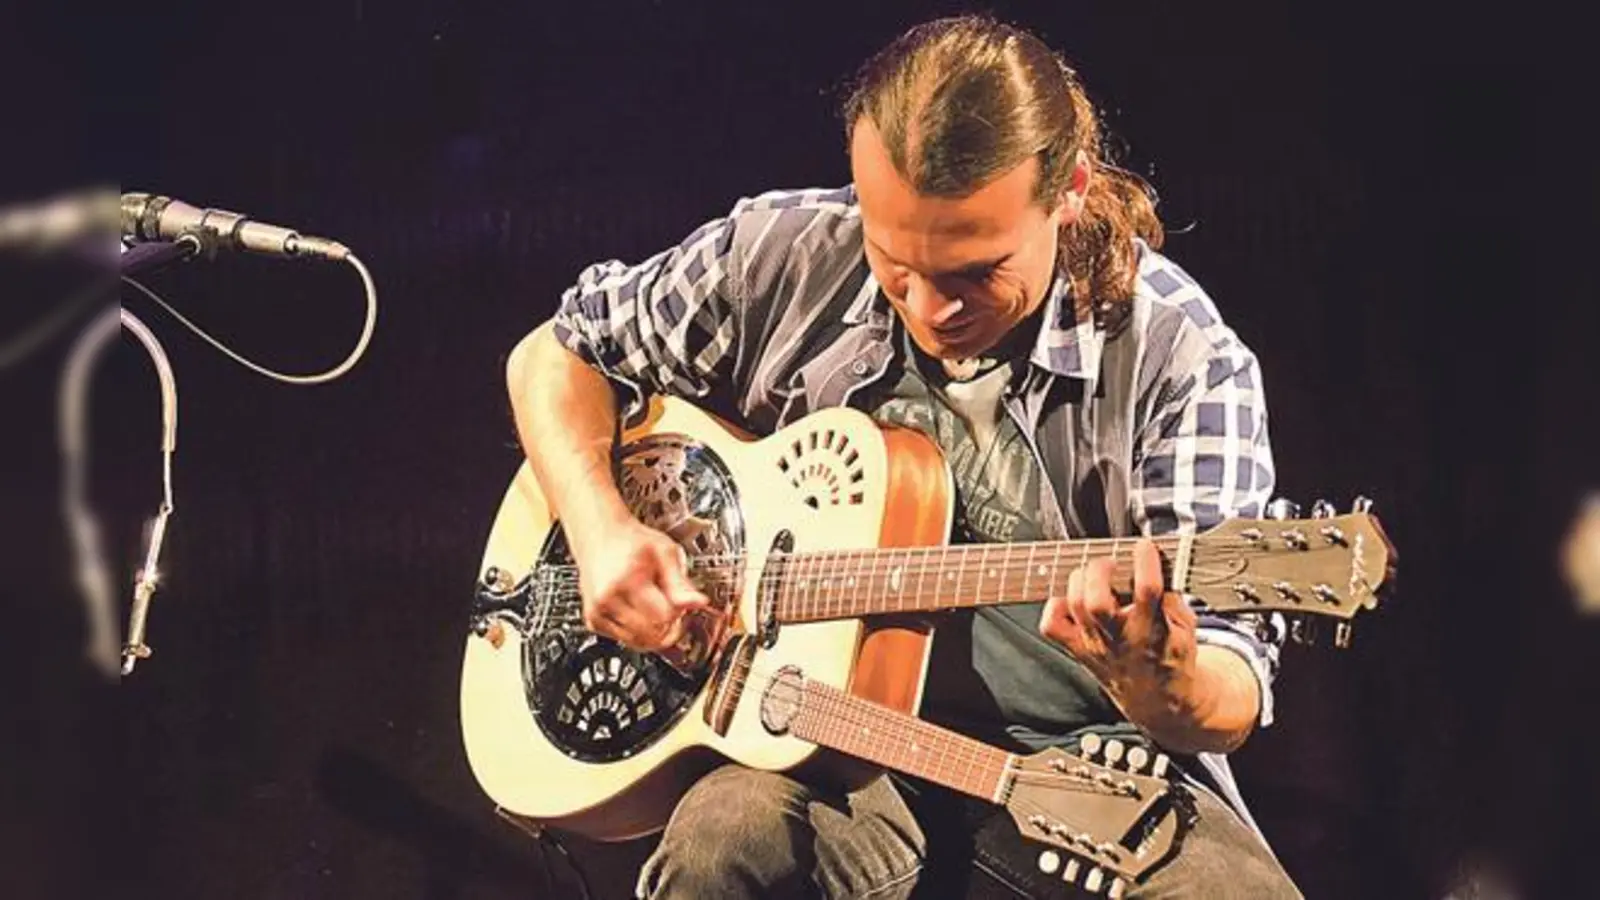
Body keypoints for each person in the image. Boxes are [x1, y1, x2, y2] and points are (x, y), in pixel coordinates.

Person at [506, 13, 1301, 899]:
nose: (928, 307)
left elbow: (1231, 682)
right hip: (832, 744)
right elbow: (556, 353)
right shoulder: (788, 254)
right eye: (895, 263)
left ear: (1068, 188)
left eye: (974, 272)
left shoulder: (1180, 355)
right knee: (721, 845)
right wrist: (600, 526)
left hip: (1092, 768)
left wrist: (1165, 684)